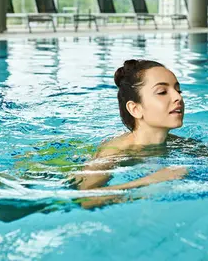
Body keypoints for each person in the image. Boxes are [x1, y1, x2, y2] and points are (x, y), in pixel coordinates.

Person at [71, 59, 189, 192]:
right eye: (162, 92)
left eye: (178, 91)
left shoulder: (180, 143)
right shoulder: (114, 153)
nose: (178, 97)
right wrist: (150, 180)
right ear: (135, 109)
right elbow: (85, 198)